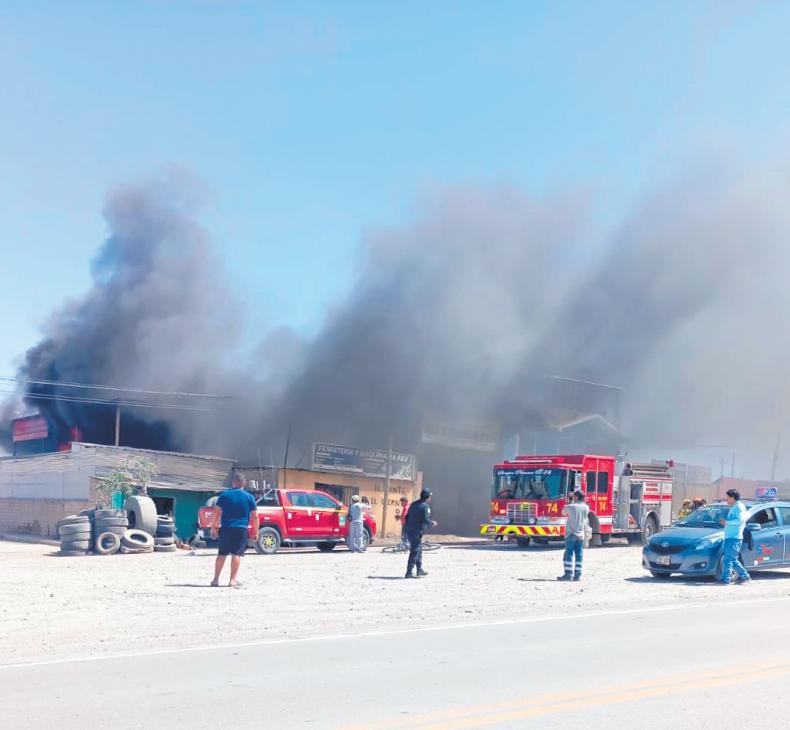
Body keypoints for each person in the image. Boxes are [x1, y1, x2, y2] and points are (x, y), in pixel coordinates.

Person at [210, 471, 259, 588]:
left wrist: (213, 527)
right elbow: (255, 517)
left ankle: (215, 580)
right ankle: (232, 580)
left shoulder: (224, 495)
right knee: (236, 554)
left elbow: (216, 512)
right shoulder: (249, 497)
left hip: (226, 528)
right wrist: (255, 532)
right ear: (244, 483)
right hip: (241, 529)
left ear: (233, 483)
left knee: (222, 554)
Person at [718, 489, 751, 585]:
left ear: (732, 497)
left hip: (735, 538)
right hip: (730, 537)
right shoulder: (734, 507)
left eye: (728, 497)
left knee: (728, 559)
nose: (726, 499)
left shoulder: (739, 507)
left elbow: (740, 521)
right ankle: (745, 576)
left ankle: (726, 579)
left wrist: (726, 522)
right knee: (731, 559)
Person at [404, 488, 437, 578]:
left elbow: (407, 517)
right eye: (430, 496)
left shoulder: (413, 504)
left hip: (409, 530)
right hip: (416, 531)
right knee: (415, 551)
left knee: (419, 550)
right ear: (427, 497)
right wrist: (432, 523)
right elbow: (425, 519)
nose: (430, 498)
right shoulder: (425, 506)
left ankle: (419, 570)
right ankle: (409, 572)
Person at [558, 490, 589, 582]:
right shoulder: (586, 507)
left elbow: (563, 512)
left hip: (571, 534)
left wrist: (570, 502)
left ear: (576, 497)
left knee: (569, 554)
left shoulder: (571, 506)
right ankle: (577, 575)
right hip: (581, 535)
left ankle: (568, 574)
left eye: (574, 496)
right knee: (579, 555)